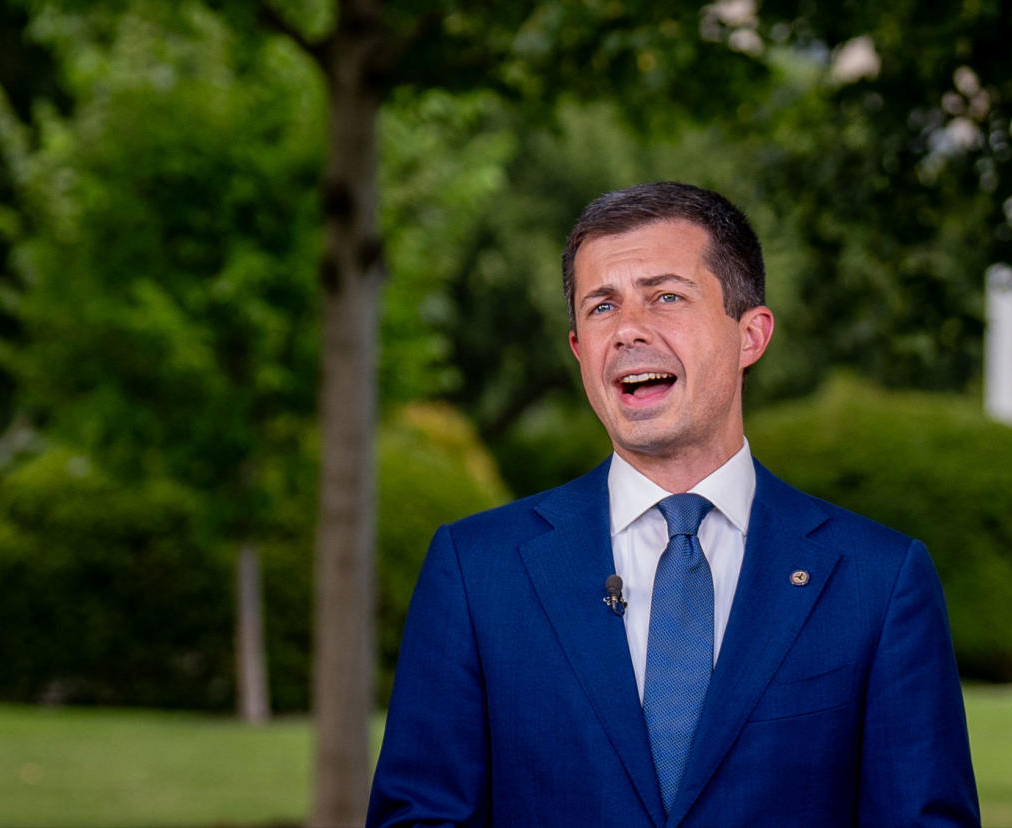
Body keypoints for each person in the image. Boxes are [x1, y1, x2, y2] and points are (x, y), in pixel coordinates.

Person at [367, 182, 979, 827]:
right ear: (578, 350)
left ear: (751, 335)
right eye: (601, 307)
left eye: (665, 297)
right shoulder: (475, 571)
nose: (629, 329)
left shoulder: (879, 581)